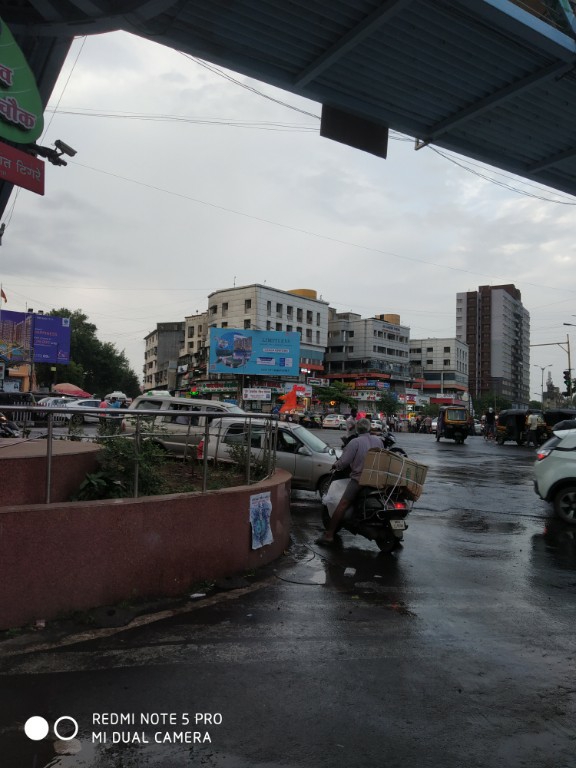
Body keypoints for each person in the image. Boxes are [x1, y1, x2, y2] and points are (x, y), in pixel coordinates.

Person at [316, 418, 383, 546]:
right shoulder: (378, 441)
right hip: (377, 479)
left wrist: (336, 465)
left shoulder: (355, 442)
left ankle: (329, 535)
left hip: (360, 480)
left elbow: (345, 461)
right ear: (369, 428)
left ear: (357, 429)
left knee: (342, 504)